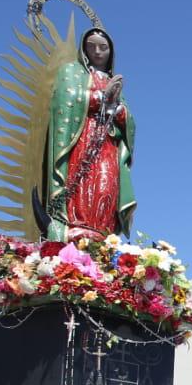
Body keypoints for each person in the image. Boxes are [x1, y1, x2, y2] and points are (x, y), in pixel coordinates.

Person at [40, 27, 136, 242]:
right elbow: (66, 101)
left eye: (103, 47)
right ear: (84, 48)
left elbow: (129, 121)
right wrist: (102, 98)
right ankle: (77, 226)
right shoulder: (74, 72)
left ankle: (103, 232)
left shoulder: (114, 80)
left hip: (108, 144)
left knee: (106, 184)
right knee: (83, 185)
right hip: (82, 139)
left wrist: (118, 109)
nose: (98, 52)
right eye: (92, 46)